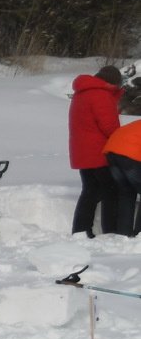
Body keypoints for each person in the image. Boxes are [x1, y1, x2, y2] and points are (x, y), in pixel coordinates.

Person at [69, 64, 123, 237]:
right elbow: (110, 127)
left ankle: (81, 231)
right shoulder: (101, 95)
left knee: (90, 191)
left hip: (82, 152)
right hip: (99, 152)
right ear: (112, 83)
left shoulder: (82, 93)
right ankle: (110, 232)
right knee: (111, 191)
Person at [103, 118, 141, 236]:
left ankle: (123, 234)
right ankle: (139, 234)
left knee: (127, 193)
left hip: (112, 151)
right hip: (128, 154)